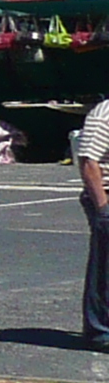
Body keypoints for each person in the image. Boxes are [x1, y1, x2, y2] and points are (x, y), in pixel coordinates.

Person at [76, 96, 109, 347]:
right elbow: (88, 161)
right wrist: (103, 208)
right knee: (105, 269)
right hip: (106, 197)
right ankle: (100, 331)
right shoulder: (104, 114)